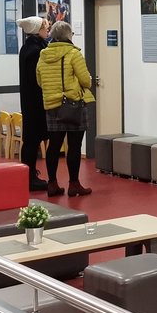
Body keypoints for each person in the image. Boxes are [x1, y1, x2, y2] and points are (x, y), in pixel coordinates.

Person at [35, 21, 94, 197]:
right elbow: (86, 81)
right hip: (73, 105)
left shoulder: (43, 55)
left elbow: (39, 81)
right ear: (68, 35)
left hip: (52, 105)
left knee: (54, 146)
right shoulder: (74, 54)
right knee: (74, 145)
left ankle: (52, 184)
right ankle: (74, 184)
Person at [15, 15, 50, 192]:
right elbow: (37, 79)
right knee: (32, 141)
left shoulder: (27, 48)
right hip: (35, 101)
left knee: (31, 140)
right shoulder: (36, 51)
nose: (47, 31)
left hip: (29, 101)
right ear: (37, 30)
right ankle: (29, 178)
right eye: (45, 28)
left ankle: (28, 176)